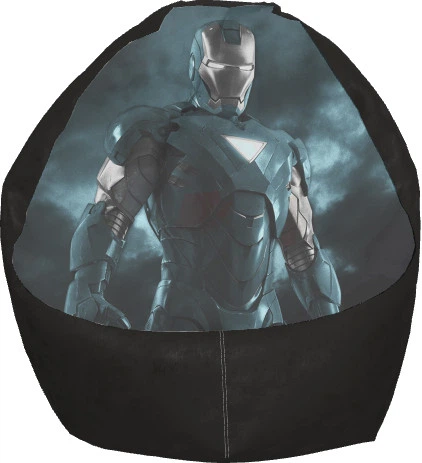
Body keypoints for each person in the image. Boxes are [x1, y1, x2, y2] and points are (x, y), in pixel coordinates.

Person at [64, 20, 341, 331]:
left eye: (241, 69)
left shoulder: (281, 150)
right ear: (196, 65)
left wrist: (330, 316)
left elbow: (303, 248)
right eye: (220, 67)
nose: (231, 79)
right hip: (184, 315)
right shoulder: (160, 131)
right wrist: (86, 294)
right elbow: (111, 213)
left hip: (264, 321)